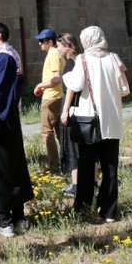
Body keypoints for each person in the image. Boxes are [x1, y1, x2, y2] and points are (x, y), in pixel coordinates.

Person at [63, 25, 129, 223]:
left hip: (89, 121)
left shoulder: (83, 60)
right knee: (110, 168)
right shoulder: (114, 58)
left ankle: (82, 209)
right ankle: (108, 210)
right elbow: (125, 89)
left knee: (85, 167)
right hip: (112, 121)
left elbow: (74, 85)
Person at [0, 37, 34, 237]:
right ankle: (19, 217)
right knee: (16, 172)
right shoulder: (15, 84)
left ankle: (5, 222)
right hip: (13, 133)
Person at [33, 27, 65, 174]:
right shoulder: (55, 53)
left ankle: (54, 168)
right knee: (59, 133)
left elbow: (56, 78)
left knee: (47, 133)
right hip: (55, 96)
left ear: (50, 42)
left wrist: (40, 85)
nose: (40, 44)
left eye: (42, 41)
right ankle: (68, 163)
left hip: (51, 97)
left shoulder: (53, 54)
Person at [57, 32, 84, 197]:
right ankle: (91, 179)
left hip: (73, 107)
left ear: (67, 46)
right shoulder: (82, 60)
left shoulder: (71, 64)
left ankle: (75, 183)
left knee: (72, 144)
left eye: (59, 45)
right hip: (84, 107)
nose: (58, 49)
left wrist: (65, 110)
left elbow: (70, 89)